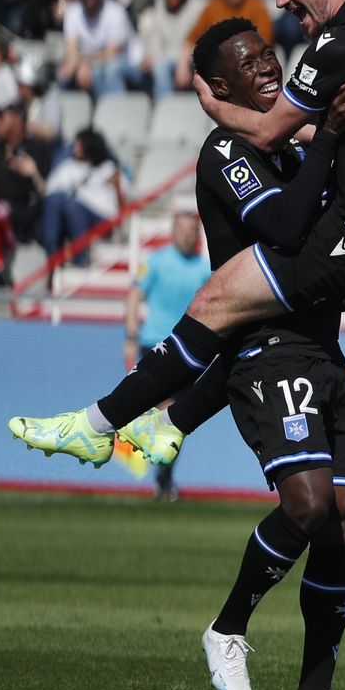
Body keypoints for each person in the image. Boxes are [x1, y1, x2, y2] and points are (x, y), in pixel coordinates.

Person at [16, 17, 345, 690]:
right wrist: (327, 137)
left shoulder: (295, 142)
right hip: (266, 349)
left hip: (325, 347)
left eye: (269, 56)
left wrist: (328, 136)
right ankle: (228, 627)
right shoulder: (225, 151)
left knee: (343, 520)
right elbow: (282, 226)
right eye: (247, 65)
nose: (266, 68)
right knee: (307, 505)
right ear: (219, 88)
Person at [11, 0, 345, 464]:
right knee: (252, 316)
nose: (279, 2)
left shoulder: (337, 44)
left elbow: (266, 132)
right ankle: (169, 423)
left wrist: (214, 107)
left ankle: (95, 425)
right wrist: (325, 130)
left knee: (217, 300)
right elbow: (341, 133)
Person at [125, 206, 212, 500]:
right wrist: (130, 334)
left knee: (177, 419)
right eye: (182, 230)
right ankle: (160, 477)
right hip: (156, 344)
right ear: (173, 232)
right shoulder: (157, 262)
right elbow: (135, 294)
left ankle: (163, 477)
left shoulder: (203, 267)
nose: (187, 236)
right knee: (166, 411)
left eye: (192, 230)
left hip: (191, 350)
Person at [39, 130, 123, 260]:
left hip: (103, 218)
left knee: (72, 206)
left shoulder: (108, 168)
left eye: (79, 144)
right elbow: (49, 191)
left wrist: (117, 187)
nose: (75, 148)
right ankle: (51, 255)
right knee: (55, 200)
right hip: (71, 213)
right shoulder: (67, 167)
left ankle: (81, 259)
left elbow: (124, 200)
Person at [57, 0, 137, 96]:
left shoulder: (115, 12)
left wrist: (84, 63)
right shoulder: (73, 13)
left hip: (128, 60)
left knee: (100, 71)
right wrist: (75, 64)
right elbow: (71, 49)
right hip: (91, 60)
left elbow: (111, 53)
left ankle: (108, 111)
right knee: (64, 72)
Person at [140, 0, 204, 97]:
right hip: (164, 60)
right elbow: (155, 41)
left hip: (191, 62)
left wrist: (178, 61)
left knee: (160, 66)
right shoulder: (159, 6)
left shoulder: (198, 7)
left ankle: (165, 110)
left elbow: (198, 44)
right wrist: (151, 55)